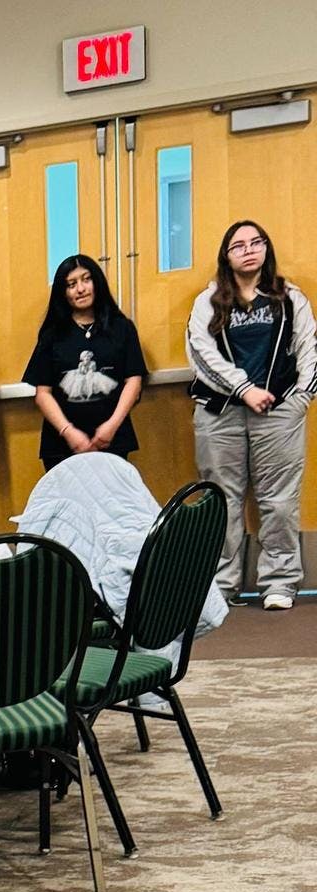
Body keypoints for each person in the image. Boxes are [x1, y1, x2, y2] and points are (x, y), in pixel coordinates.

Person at [187, 220, 315, 610]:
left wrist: (302, 396)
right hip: (220, 412)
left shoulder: (289, 298)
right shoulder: (207, 302)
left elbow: (308, 346)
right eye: (238, 245)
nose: (248, 249)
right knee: (222, 500)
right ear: (226, 256)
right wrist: (244, 388)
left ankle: (279, 581)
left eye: (256, 242)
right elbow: (200, 354)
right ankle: (222, 586)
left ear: (266, 248)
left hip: (279, 412)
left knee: (279, 500)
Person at [22, 255, 148, 471]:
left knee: (111, 503)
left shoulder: (122, 328)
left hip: (113, 439)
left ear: (96, 282)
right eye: (71, 284)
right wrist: (68, 432)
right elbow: (42, 394)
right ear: (63, 292)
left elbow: (134, 382)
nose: (80, 289)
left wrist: (111, 426)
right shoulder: (52, 335)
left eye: (86, 280)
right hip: (61, 444)